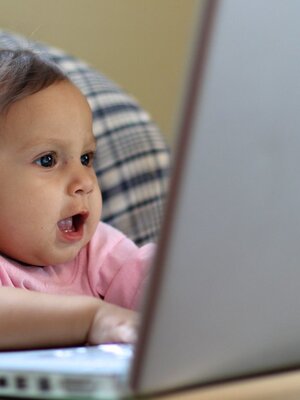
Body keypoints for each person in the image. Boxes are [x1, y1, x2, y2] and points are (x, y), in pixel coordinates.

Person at [0, 49, 155, 350]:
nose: (84, 182)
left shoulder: (96, 251)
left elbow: (157, 286)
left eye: (86, 158)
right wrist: (92, 319)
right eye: (48, 160)